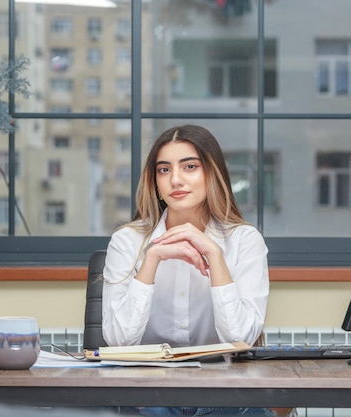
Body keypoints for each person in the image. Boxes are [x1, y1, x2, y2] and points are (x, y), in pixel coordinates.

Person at [102, 125, 277, 416]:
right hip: (149, 395)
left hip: (224, 394)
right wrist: (152, 259)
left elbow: (240, 341)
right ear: (154, 181)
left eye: (190, 166)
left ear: (212, 173)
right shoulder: (127, 241)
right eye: (164, 170)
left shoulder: (245, 240)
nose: (176, 180)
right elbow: (118, 341)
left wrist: (215, 255)